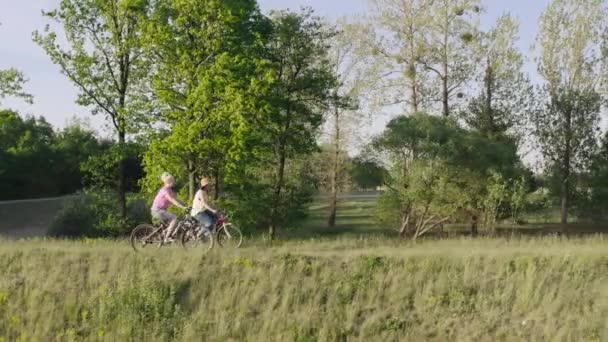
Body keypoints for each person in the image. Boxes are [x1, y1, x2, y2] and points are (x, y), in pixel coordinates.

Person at [151, 172, 188, 242]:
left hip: (161, 210)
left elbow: (177, 199)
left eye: (173, 181)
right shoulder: (165, 191)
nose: (173, 182)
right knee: (175, 218)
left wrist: (186, 205)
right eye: (172, 181)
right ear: (168, 182)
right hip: (157, 211)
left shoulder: (169, 190)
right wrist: (182, 207)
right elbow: (173, 200)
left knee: (172, 223)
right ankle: (167, 238)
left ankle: (165, 235)